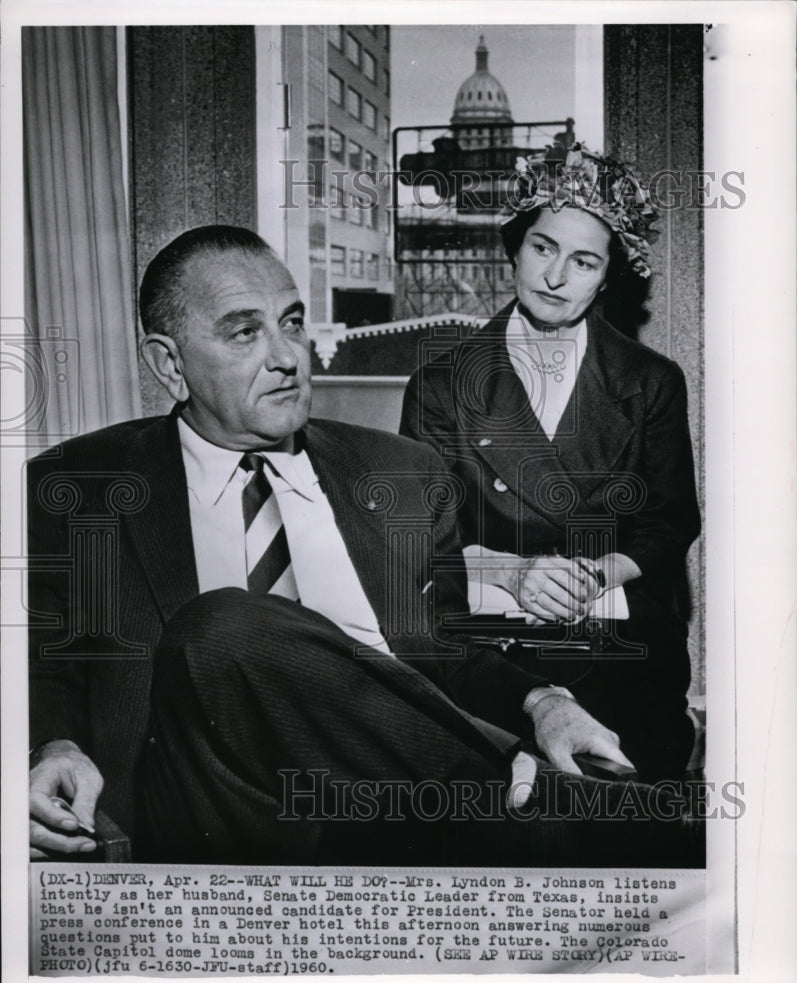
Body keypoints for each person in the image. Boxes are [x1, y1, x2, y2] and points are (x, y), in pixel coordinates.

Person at [28, 225, 641, 866]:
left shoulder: (404, 475)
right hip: (211, 818)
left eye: (291, 322)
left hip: (397, 813)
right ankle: (530, 804)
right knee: (221, 628)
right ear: (169, 363)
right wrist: (51, 746)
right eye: (245, 332)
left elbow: (445, 653)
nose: (287, 356)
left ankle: (536, 814)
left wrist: (543, 703)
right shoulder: (79, 489)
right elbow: (40, 666)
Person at [400, 144, 701, 782]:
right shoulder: (440, 384)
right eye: (543, 248)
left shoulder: (652, 382)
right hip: (493, 657)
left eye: (583, 260)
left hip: (623, 646)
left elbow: (669, 525)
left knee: (641, 836)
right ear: (515, 247)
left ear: (608, 276)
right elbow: (420, 542)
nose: (556, 276)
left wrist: (592, 576)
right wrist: (515, 573)